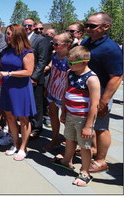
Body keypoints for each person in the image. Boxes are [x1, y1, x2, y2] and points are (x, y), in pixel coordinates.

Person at [0, 24, 36, 161]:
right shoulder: (7, 50)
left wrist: (9, 73)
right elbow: (2, 66)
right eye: (7, 33)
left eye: (8, 33)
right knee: (10, 117)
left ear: (17, 35)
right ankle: (15, 144)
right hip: (7, 88)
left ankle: (23, 148)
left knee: (23, 118)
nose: (6, 36)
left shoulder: (27, 52)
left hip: (21, 89)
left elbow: (28, 72)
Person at [52, 46, 100, 187]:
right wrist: (64, 112)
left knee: (84, 146)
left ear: (85, 62)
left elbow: (94, 105)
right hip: (71, 115)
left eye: (72, 63)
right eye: (68, 62)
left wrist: (88, 126)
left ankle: (85, 172)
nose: (69, 65)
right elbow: (66, 92)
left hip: (83, 118)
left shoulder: (91, 79)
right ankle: (67, 161)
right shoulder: (70, 73)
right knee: (69, 139)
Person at [81, 12, 123, 173]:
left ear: (106, 27)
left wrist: (104, 101)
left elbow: (117, 77)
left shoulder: (110, 48)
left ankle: (101, 160)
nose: (87, 28)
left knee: (100, 127)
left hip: (101, 92)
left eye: (92, 26)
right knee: (89, 124)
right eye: (87, 25)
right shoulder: (87, 42)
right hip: (86, 90)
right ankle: (93, 149)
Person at [43, 33, 73, 151]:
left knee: (66, 119)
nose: (54, 46)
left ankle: (71, 143)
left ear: (68, 45)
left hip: (64, 93)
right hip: (52, 89)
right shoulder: (54, 56)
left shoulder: (71, 59)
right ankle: (55, 139)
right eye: (53, 43)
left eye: (57, 44)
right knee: (53, 115)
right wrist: (47, 87)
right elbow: (53, 72)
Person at [22, 18, 51, 139]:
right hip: (23, 77)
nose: (27, 27)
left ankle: (37, 128)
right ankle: (27, 126)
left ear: (34, 26)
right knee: (27, 103)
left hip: (35, 79)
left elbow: (42, 61)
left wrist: (34, 77)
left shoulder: (41, 40)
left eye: (29, 25)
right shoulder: (22, 39)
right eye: (25, 25)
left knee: (37, 104)